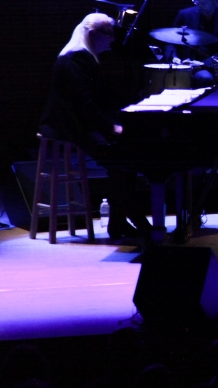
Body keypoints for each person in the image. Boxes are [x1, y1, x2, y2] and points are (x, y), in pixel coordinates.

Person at [39, 13, 152, 241]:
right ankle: (142, 227)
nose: (112, 40)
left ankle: (119, 224)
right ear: (92, 34)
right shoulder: (73, 60)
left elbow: (102, 100)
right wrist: (111, 129)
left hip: (81, 122)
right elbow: (85, 106)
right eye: (108, 34)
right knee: (119, 159)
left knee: (123, 160)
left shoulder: (86, 58)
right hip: (68, 126)